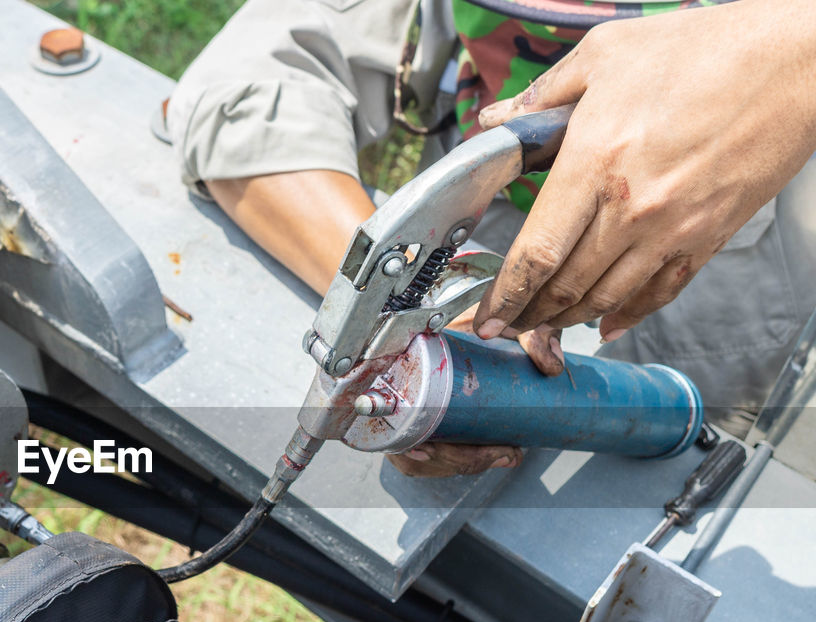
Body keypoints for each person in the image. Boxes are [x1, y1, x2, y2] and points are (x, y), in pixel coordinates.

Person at [168, 0, 816, 477]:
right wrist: (400, 310)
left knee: (728, 474)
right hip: (497, 201)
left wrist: (792, 56)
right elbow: (252, 80)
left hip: (764, 238)